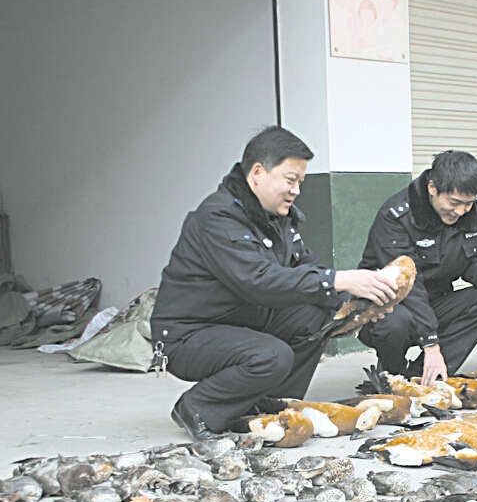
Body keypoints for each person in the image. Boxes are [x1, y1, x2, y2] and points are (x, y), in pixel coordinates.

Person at [149, 126, 398, 440]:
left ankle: (271, 407)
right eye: (290, 180)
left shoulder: (278, 218)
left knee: (318, 315)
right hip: (188, 334)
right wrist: (341, 279)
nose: (296, 190)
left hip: (239, 319)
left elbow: (306, 268)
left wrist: (350, 306)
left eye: (301, 182)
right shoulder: (217, 219)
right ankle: (198, 407)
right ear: (257, 173)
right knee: (271, 355)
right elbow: (258, 281)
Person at [357, 150, 477, 384]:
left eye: (468, 204)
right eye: (454, 203)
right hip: (390, 306)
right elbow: (408, 287)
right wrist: (431, 343)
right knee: (395, 322)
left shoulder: (470, 213)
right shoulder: (397, 217)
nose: (460, 212)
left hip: (437, 302)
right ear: (432, 188)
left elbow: (476, 261)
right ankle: (393, 374)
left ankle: (425, 376)